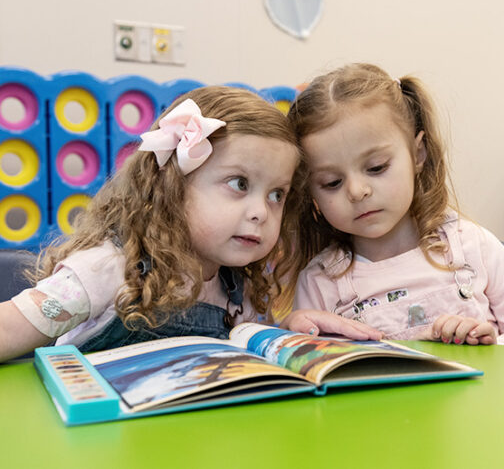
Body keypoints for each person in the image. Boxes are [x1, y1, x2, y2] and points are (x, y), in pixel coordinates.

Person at [0, 86, 381, 363]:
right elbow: (9, 329)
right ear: (173, 188)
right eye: (239, 184)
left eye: (276, 195)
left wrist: (287, 326)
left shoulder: (240, 289)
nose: (261, 212)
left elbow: (249, 350)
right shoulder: (106, 269)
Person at [281, 63, 504, 349]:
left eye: (377, 167)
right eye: (332, 182)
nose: (357, 191)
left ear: (418, 154)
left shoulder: (469, 246)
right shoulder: (321, 282)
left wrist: (492, 347)